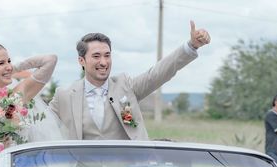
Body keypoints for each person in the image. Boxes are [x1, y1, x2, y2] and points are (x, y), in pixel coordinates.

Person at [49, 21, 210, 141]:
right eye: (96, 56)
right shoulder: (64, 95)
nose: (104, 62)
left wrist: (191, 46)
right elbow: (39, 123)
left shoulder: (125, 86)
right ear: (81, 61)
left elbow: (157, 74)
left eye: (107, 55)